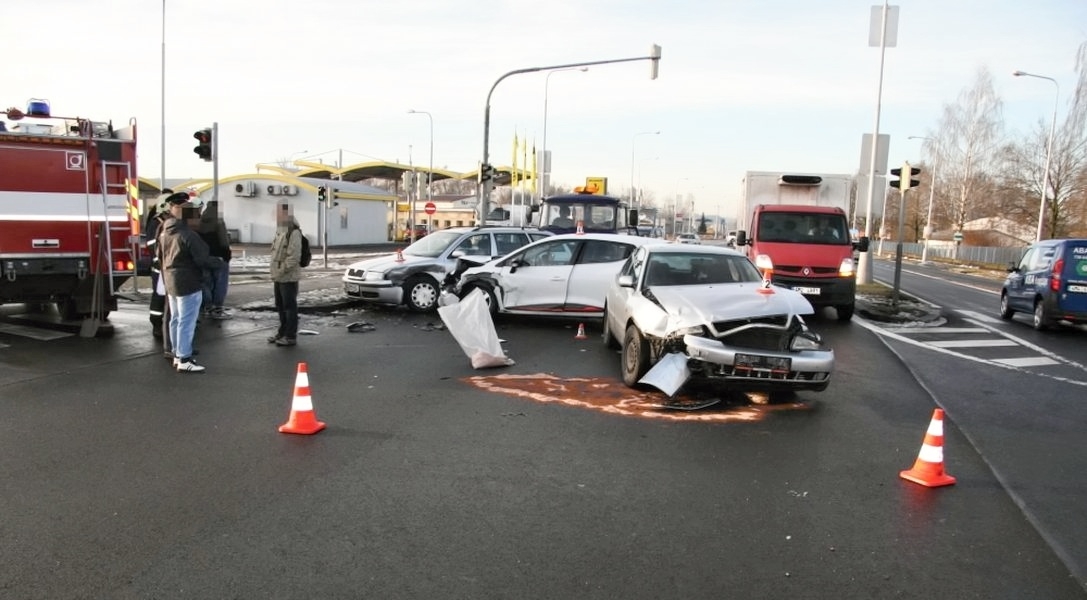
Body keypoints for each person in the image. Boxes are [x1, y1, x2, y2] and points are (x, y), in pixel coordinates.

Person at [158, 194, 223, 372]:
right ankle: (184, 358)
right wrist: (219, 262)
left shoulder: (165, 232)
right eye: (197, 215)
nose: (199, 219)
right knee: (187, 321)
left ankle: (176, 354)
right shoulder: (188, 235)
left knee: (176, 319)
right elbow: (202, 259)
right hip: (188, 281)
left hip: (170, 279)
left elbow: (160, 256)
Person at [269, 213, 303, 347]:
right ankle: (282, 332)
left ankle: (290, 336)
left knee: (289, 307)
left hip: (288, 277)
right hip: (278, 275)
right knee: (280, 305)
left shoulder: (294, 233)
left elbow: (294, 257)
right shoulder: (279, 232)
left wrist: (282, 269)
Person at [197, 200, 233, 320]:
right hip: (218, 257)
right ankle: (217, 307)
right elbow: (224, 241)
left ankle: (207, 307)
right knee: (220, 283)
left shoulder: (200, 221)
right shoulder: (219, 221)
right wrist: (227, 255)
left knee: (207, 283)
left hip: (204, 257)